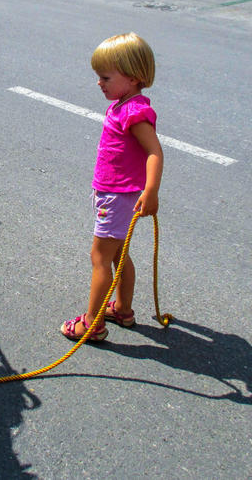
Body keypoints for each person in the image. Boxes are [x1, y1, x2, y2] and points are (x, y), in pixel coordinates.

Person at [60, 33, 164, 342]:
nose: (99, 83)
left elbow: (155, 152)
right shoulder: (124, 105)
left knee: (99, 257)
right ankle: (122, 309)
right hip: (115, 194)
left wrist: (152, 191)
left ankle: (92, 324)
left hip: (118, 197)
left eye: (105, 77)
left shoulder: (134, 113)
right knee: (119, 255)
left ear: (133, 78)